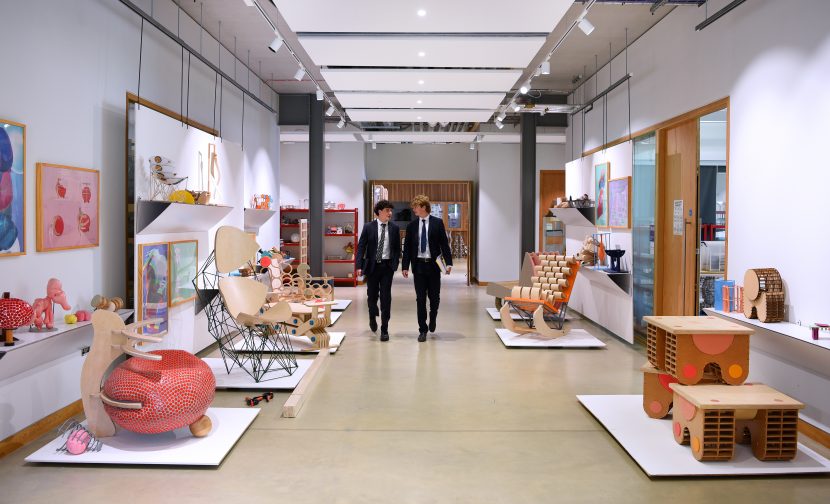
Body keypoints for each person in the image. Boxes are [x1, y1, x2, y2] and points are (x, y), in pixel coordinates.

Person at [401, 194, 453, 342]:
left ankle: (433, 316)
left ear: (424, 207)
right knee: (420, 299)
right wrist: (405, 266)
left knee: (434, 297)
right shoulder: (411, 226)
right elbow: (407, 248)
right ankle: (422, 329)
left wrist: (449, 263)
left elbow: (444, 245)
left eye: (416, 207)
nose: (414, 209)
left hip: (434, 266)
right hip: (418, 266)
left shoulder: (437, 223)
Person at [355, 200, 401, 341]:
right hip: (372, 267)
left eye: (391, 210)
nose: (390, 213)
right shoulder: (368, 227)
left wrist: (395, 263)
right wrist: (359, 266)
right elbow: (361, 247)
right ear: (379, 212)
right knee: (372, 296)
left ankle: (384, 329)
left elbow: (397, 248)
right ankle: (372, 315)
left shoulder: (394, 228)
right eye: (387, 210)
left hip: (387, 267)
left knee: (386, 297)